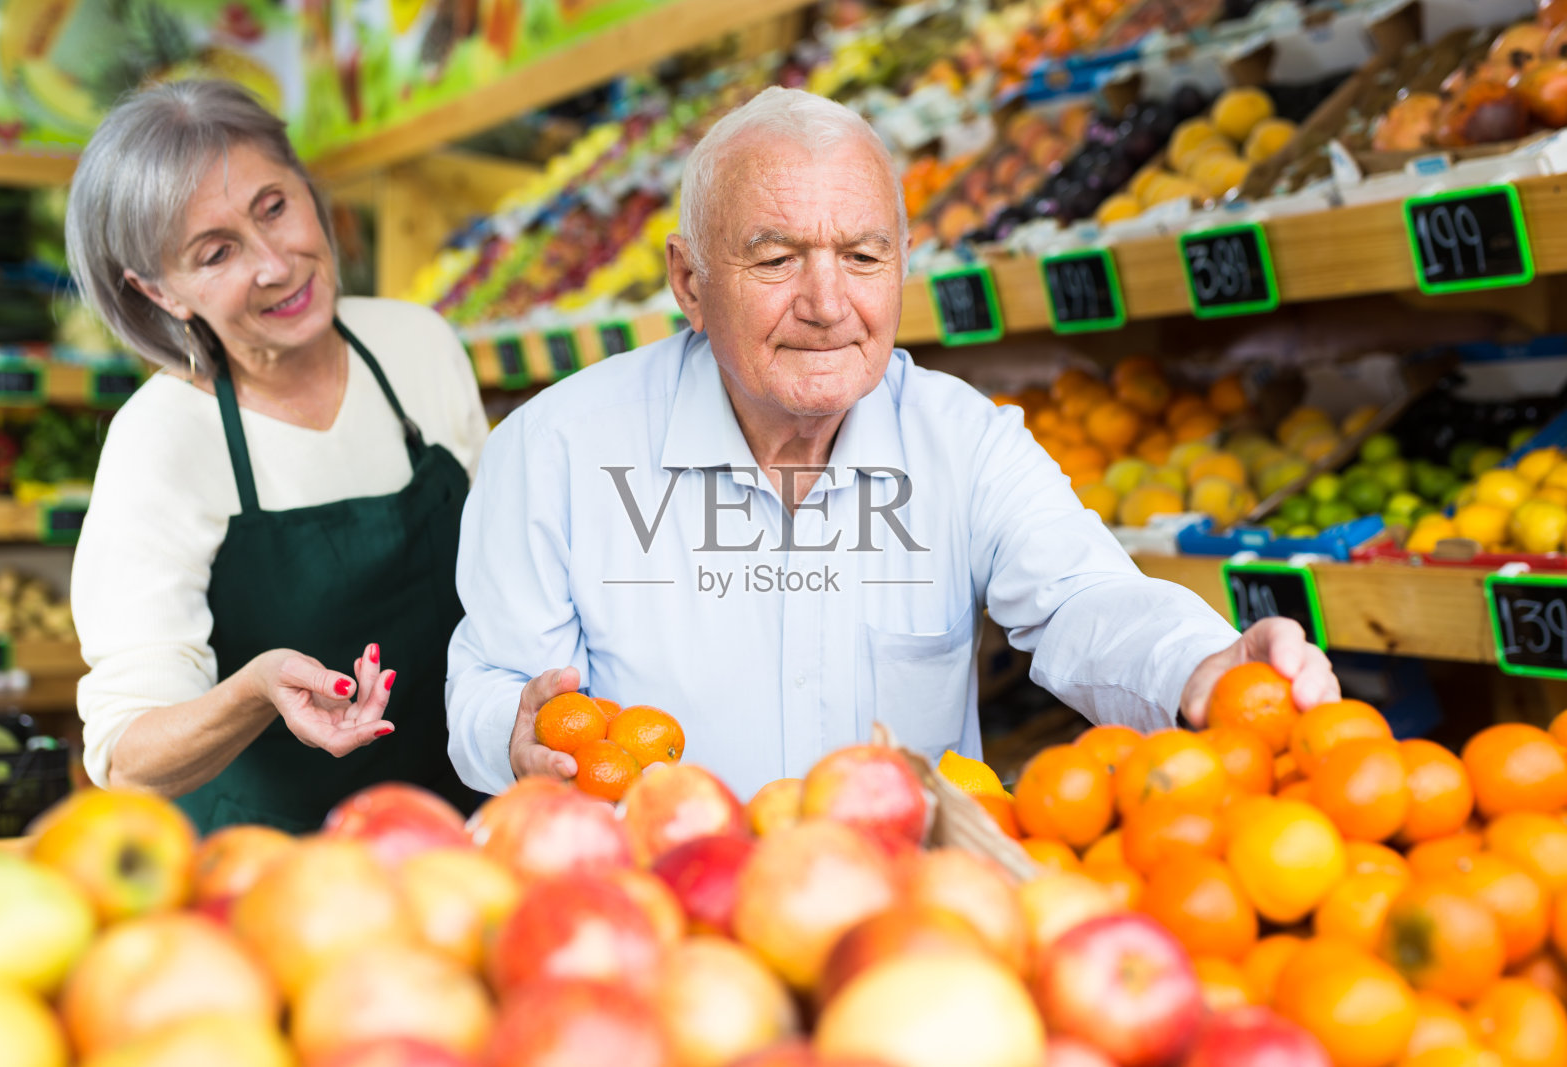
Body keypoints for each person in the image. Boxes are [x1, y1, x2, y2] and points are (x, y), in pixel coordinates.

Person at [446, 87, 1338, 800]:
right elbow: (490, 683)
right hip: (656, 925)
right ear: (689, 279)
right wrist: (513, 734)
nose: (829, 304)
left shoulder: (963, 443)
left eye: (864, 258)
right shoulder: (553, 451)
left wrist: (1202, 664)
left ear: (903, 268)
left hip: (908, 925)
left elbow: (1082, 599)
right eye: (777, 258)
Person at [66, 81, 490, 832]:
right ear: (159, 291)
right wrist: (252, 691)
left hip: (456, 837)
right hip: (268, 874)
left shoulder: (416, 345)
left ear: (309, 190)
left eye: (274, 207)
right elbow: (128, 755)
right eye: (216, 252)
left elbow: (499, 584)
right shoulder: (161, 441)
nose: (274, 263)